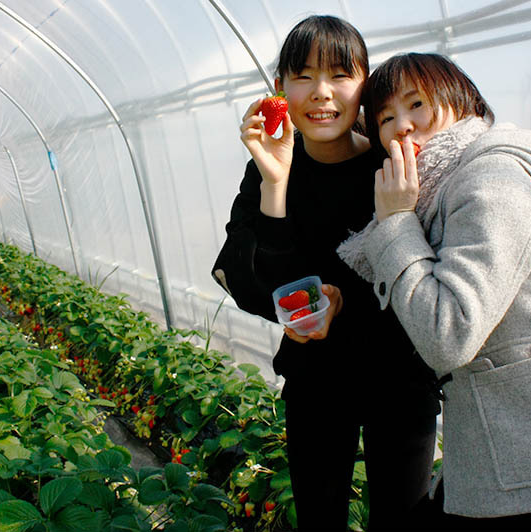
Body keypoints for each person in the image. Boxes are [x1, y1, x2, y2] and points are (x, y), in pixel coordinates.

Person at [338, 52, 531, 531]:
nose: (402, 127)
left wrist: (396, 223)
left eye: (416, 104)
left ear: (462, 100)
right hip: (511, 466)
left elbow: (449, 333)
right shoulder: (440, 188)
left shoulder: (494, 178)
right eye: (385, 118)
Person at [211, 16, 440, 531]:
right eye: (303, 76)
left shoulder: (392, 162)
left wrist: (349, 305)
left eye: (340, 75)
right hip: (316, 377)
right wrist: (275, 183)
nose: (322, 93)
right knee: (319, 519)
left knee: (400, 522)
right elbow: (252, 285)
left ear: (365, 85)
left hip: (399, 378)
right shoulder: (266, 165)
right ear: (279, 89)